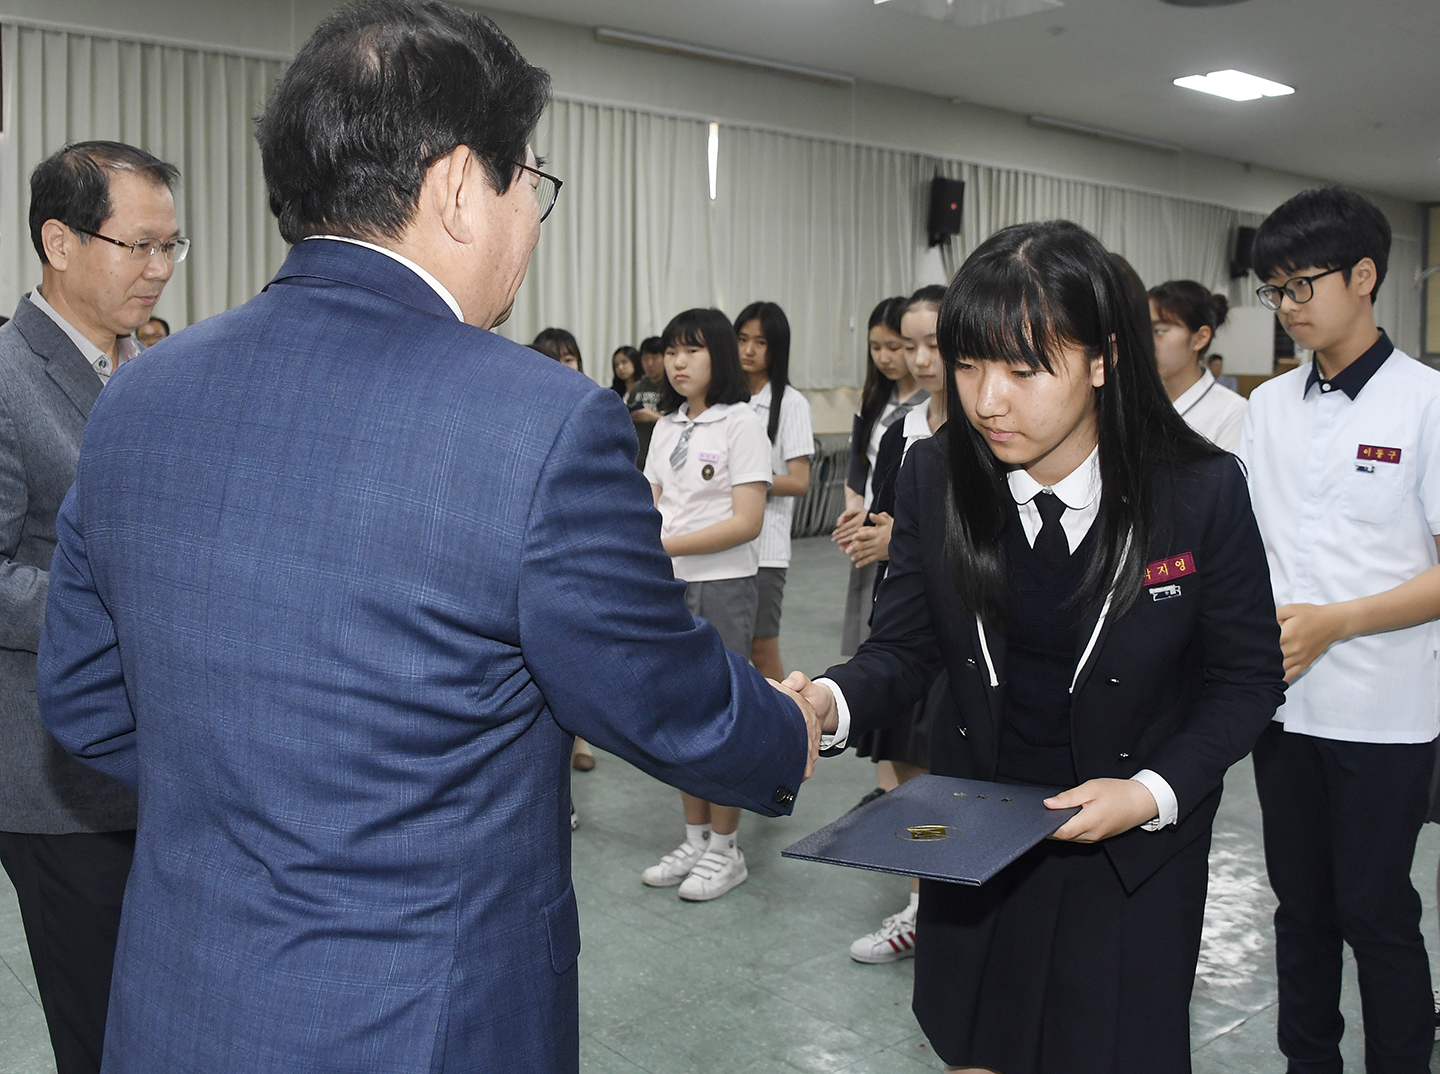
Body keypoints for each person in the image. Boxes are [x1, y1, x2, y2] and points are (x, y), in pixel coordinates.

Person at [35, 6, 821, 1072]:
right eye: (529, 184)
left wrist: (256, 792)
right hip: (422, 1024)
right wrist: (788, 726)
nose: (534, 222)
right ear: (458, 185)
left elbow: (84, 698)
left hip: (183, 1000)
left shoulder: (139, 395)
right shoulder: (537, 420)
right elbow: (657, 692)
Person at [787, 220, 1285, 1073]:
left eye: (1025, 369)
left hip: (1128, 852)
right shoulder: (936, 474)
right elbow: (903, 648)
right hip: (976, 833)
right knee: (976, 1047)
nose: (988, 401)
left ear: (1101, 360)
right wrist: (823, 706)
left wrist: (1150, 793)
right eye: (971, 364)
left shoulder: (1197, 492)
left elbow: (1246, 680)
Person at [1238, 186, 1440, 1074]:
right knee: (1300, 911)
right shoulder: (1268, 410)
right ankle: (1306, 1063)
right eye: (1273, 291)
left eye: (1299, 286)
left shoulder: (1427, 404)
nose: (1286, 308)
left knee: (1376, 909)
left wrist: (1338, 622)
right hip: (1281, 710)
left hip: (1384, 711)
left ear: (1364, 277)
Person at [0, 140, 182, 1074]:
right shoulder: (5, 376)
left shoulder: (145, 371)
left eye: (170, 247)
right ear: (59, 241)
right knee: (99, 1027)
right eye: (137, 245)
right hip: (52, 779)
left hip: (149, 764)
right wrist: (129, 611)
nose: (157, 270)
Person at [640, 308, 772, 902]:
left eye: (692, 350)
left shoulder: (741, 423)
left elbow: (746, 522)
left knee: (721, 717)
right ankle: (694, 838)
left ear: (718, 356)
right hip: (668, 589)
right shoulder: (667, 427)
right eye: (671, 351)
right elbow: (651, 502)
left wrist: (664, 545)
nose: (678, 362)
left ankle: (726, 848)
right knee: (676, 714)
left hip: (722, 585)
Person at [845, 283, 948, 965]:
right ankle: (921, 904)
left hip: (970, 630)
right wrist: (871, 535)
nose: (919, 358)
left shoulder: (997, 424)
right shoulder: (902, 426)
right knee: (907, 765)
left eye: (935, 343)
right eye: (910, 344)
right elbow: (885, 516)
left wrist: (901, 542)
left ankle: (954, 904)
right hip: (911, 620)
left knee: (960, 770)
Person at [834, 297, 926, 657]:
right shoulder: (872, 398)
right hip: (872, 525)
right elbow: (859, 467)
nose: (885, 357)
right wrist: (856, 510)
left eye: (894, 347)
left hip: (904, 526)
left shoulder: (930, 403)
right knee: (867, 634)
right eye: (876, 347)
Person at [735, 302, 813, 681]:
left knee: (762, 648)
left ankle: (798, 729)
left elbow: (799, 480)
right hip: (724, 543)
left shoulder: (792, 403)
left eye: (760, 342)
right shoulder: (728, 399)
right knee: (726, 644)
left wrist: (748, 479)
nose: (749, 350)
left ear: (777, 347)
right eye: (742, 339)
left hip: (766, 548)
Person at [1149, 280, 1247, 451]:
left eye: (1159, 331)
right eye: (1144, 331)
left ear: (1200, 338)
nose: (1147, 342)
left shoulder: (1232, 411)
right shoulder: (1142, 401)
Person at [626, 335, 666, 468]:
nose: (649, 364)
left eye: (655, 358)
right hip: (639, 457)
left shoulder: (673, 387)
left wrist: (652, 417)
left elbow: (682, 423)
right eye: (645, 358)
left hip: (663, 456)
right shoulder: (637, 387)